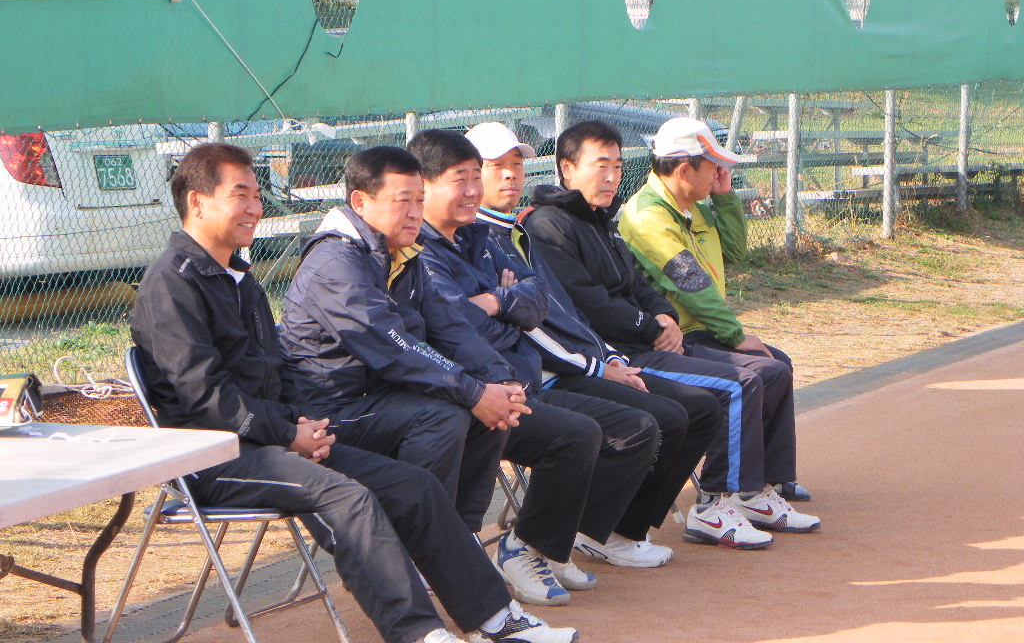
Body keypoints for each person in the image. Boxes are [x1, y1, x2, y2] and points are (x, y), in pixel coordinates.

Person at [131, 142, 578, 643]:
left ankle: (496, 618)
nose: (256, 207)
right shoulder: (172, 283)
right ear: (197, 202)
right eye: (242, 195)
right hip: (212, 455)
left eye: (258, 194)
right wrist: (289, 432)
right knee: (349, 496)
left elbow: (272, 374)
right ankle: (419, 633)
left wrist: (296, 427)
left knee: (416, 486)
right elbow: (203, 396)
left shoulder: (238, 278)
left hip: (278, 436)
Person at [522, 120, 820, 550]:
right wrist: (667, 326)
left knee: (774, 369)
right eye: (601, 165)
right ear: (567, 169)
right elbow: (597, 302)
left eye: (618, 166)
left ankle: (756, 490)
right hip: (627, 350)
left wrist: (663, 315)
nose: (612, 176)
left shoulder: (613, 218)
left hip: (661, 337)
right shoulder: (621, 217)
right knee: (743, 383)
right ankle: (715, 504)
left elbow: (644, 284)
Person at [407, 128, 667, 606]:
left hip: (520, 382)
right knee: (577, 436)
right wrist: (506, 304)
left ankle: (548, 544)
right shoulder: (418, 251)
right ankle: (523, 548)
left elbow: (537, 298)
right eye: (462, 178)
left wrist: (497, 302)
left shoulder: (483, 237)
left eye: (476, 177)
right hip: (475, 395)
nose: (475, 189)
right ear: (422, 185)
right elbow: (455, 323)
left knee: (637, 425)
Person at [464, 121, 722, 561]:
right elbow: (531, 322)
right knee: (663, 417)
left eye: (517, 165)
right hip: (532, 380)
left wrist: (612, 355)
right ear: (567, 169)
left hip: (575, 363)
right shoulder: (525, 229)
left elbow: (562, 311)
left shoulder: (520, 233)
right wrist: (601, 364)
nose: (510, 175)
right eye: (494, 166)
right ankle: (574, 536)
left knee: (698, 408)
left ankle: (613, 530)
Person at [279, 146, 523, 539]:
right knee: (445, 414)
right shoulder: (335, 263)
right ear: (360, 202)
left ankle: (459, 542)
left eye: (420, 201)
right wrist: (474, 391)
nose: (415, 213)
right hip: (330, 413)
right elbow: (392, 348)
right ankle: (417, 544)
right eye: (403, 201)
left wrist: (499, 380)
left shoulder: (405, 255)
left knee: (491, 413)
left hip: (384, 400)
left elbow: (450, 326)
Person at [618, 116, 810, 504]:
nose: (719, 173)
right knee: (762, 372)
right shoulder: (647, 216)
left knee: (779, 364)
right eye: (712, 166)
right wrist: (736, 336)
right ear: (684, 170)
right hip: (676, 340)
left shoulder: (693, 208)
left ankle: (771, 479)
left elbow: (734, 252)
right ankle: (735, 491)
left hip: (703, 331)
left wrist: (724, 198)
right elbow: (691, 284)